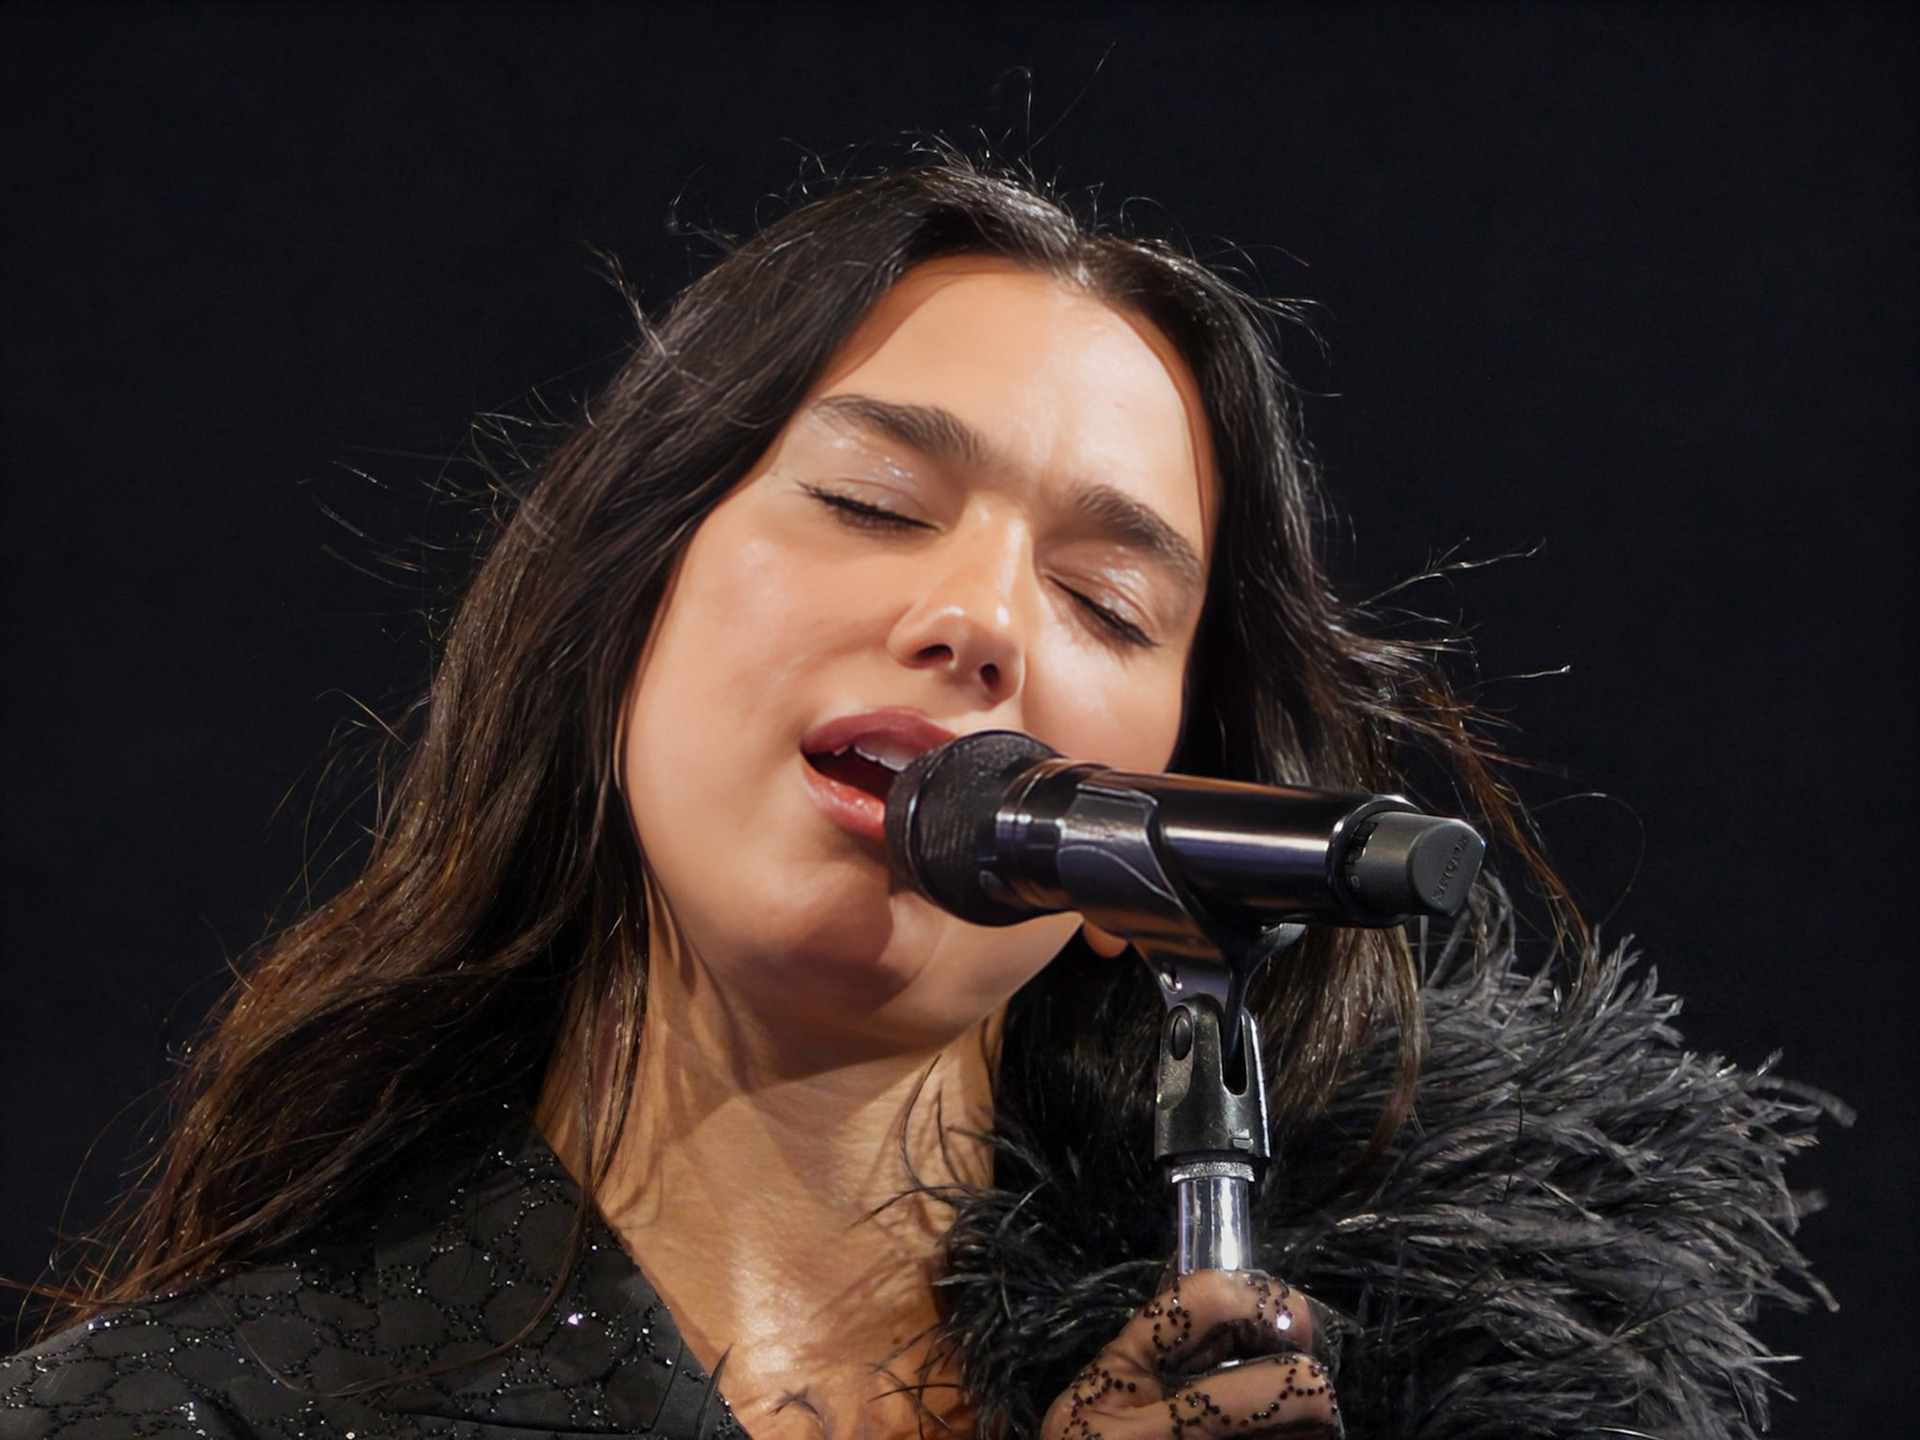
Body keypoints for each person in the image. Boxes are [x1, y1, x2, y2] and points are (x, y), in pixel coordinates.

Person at [1, 161, 1832, 1440]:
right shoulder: (175, 1414)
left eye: (1107, 601)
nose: (983, 622)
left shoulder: (1408, 1386)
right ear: (623, 604)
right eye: (872, 503)